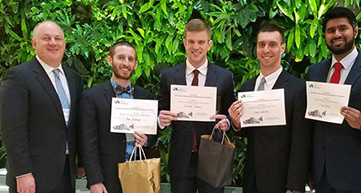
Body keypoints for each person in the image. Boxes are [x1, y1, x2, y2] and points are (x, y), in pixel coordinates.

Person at [307, 7, 361, 193]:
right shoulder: (314, 72)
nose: (337, 34)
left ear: (355, 31)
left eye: (343, 28)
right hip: (321, 174)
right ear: (325, 36)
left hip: (357, 177)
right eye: (331, 31)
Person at [0, 20, 84, 193]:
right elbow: (13, 129)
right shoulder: (19, 77)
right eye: (46, 38)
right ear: (34, 44)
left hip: (66, 174)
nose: (53, 43)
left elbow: (76, 125)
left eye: (57, 38)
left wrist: (81, 162)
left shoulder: (75, 79)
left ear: (64, 43)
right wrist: (22, 173)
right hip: (33, 177)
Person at [228, 21, 312, 193]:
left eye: (272, 44)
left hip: (281, 181)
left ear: (282, 48)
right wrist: (236, 123)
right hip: (252, 178)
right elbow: (248, 132)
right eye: (261, 45)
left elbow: (301, 142)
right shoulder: (247, 87)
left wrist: (294, 187)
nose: (266, 50)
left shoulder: (298, 89)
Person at [157, 18, 236, 193]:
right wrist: (161, 120)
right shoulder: (168, 76)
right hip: (181, 157)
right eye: (191, 42)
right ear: (185, 43)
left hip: (213, 155)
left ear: (209, 45)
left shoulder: (224, 77)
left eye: (201, 42)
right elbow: (159, 110)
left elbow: (231, 113)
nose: (196, 47)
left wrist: (227, 123)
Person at [79, 41, 154, 193]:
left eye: (130, 59)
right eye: (121, 57)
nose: (126, 63)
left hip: (140, 174)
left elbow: (153, 135)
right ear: (109, 60)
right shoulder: (92, 97)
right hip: (107, 177)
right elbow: (87, 142)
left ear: (136, 64)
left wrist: (147, 140)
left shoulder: (147, 97)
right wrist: (94, 180)